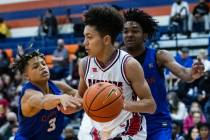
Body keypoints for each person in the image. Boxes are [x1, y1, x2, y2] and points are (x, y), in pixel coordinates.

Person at [122, 9, 204, 140]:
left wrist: (192, 74)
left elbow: (184, 72)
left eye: (135, 31)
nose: (129, 35)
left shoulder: (159, 56)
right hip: (128, 123)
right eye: (126, 31)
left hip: (158, 123)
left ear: (145, 35)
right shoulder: (117, 59)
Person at [77, 6, 156, 140]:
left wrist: (120, 104)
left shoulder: (129, 65)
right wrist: (68, 104)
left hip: (128, 129)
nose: (85, 43)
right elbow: (80, 98)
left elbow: (150, 105)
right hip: (97, 128)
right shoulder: (84, 64)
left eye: (89, 37)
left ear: (106, 40)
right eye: (85, 37)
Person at [11, 46, 82, 140]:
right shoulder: (29, 94)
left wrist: (84, 103)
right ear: (26, 76)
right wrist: (60, 98)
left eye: (43, 64)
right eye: (35, 66)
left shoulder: (59, 86)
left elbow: (80, 96)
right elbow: (43, 101)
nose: (42, 67)